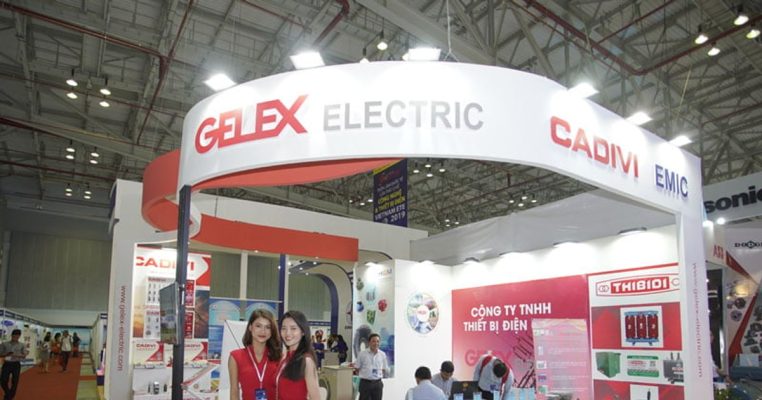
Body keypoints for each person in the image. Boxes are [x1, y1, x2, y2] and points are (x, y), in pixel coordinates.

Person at [229, 309, 282, 400]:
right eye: (258, 326)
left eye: (268, 327)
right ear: (250, 327)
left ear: (272, 331)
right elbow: (234, 391)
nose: (263, 331)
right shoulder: (235, 357)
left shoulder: (279, 357)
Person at [276, 310, 321, 400]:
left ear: (303, 332)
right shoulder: (285, 358)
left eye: (293, 328)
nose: (287, 333)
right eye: (284, 328)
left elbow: (315, 397)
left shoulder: (306, 360)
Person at [355, 333, 389, 400]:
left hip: (377, 384)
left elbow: (384, 369)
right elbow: (357, 368)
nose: (376, 343)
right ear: (369, 342)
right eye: (373, 341)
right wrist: (366, 375)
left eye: (377, 341)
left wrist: (377, 376)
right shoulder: (362, 354)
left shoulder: (382, 354)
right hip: (365, 383)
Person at [0, 329, 28, 399]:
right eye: (14, 336)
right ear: (11, 335)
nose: (15, 338)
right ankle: (8, 394)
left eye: (17, 336)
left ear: (19, 336)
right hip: (7, 364)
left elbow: (24, 356)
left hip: (16, 364)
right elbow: (0, 354)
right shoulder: (4, 344)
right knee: (3, 381)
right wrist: (6, 354)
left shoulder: (22, 345)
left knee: (15, 382)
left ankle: (9, 397)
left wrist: (15, 355)